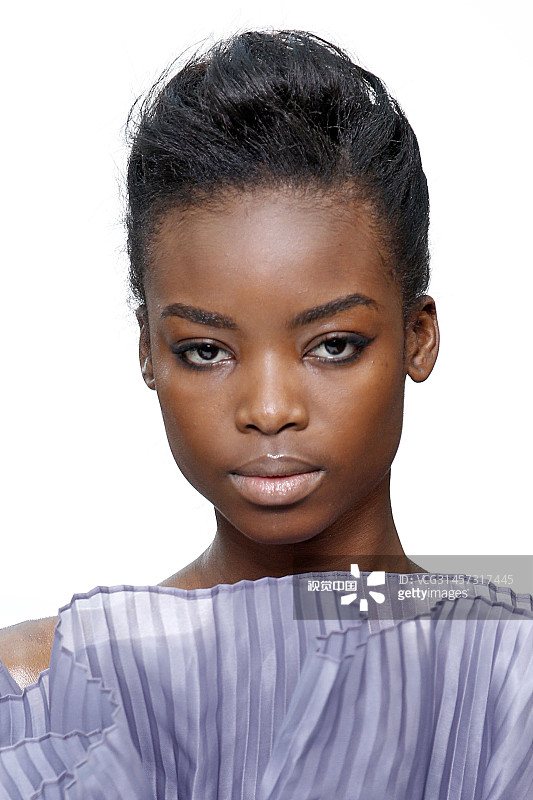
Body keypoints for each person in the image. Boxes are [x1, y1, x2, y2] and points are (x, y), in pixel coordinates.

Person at [0, 29, 532, 799]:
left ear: (417, 337)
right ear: (148, 351)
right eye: (206, 351)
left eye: (333, 345)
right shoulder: (38, 695)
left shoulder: (510, 676)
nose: (269, 410)